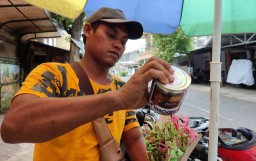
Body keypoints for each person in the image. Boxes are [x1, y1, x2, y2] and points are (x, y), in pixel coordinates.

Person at [1, 7, 174, 161]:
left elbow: (134, 138)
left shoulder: (122, 87)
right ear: (88, 30)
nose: (118, 45)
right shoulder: (54, 74)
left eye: (123, 41)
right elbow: (13, 127)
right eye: (111, 35)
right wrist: (117, 99)